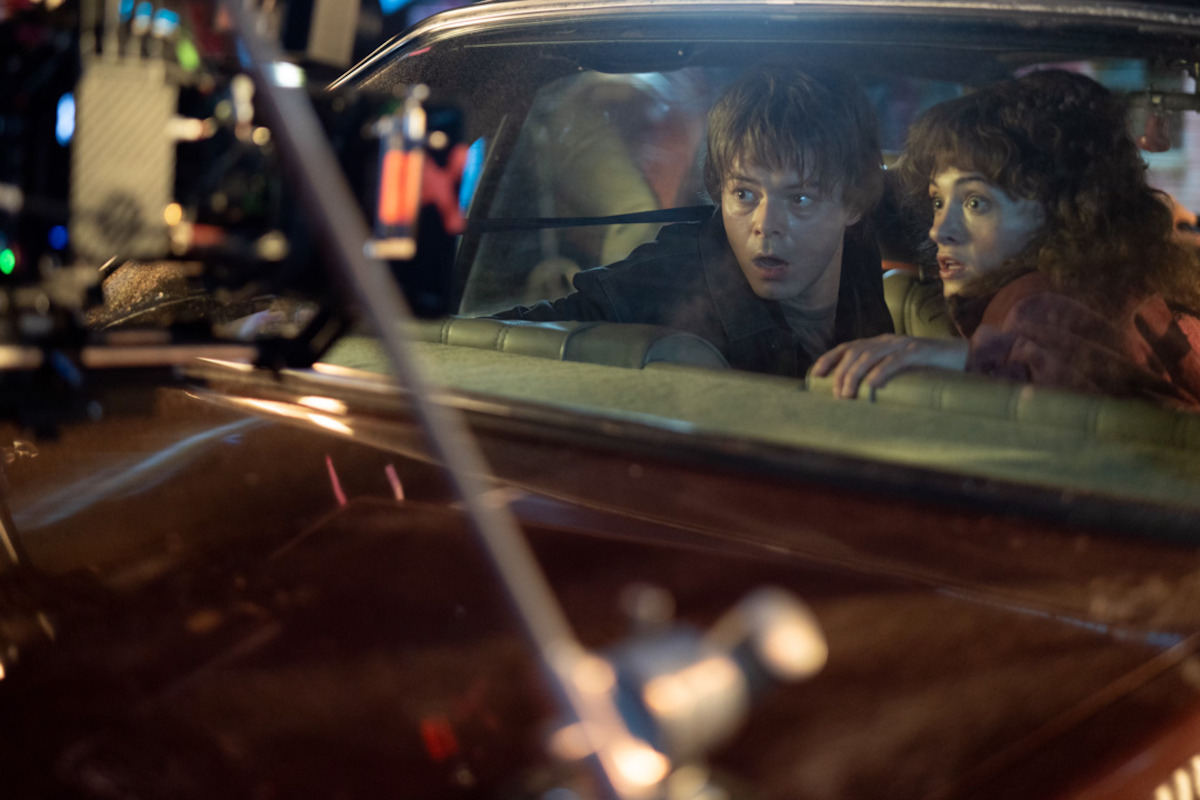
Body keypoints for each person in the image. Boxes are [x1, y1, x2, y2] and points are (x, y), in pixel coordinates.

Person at [813, 69, 1200, 409]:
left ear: (1060, 213)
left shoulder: (1039, 306)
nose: (938, 229)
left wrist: (968, 357)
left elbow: (1076, 378)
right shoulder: (1113, 290)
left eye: (975, 202)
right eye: (937, 200)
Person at [490, 62, 893, 377]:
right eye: (744, 194)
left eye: (801, 198)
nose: (765, 224)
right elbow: (493, 341)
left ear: (854, 204)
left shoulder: (859, 253)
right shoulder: (673, 277)